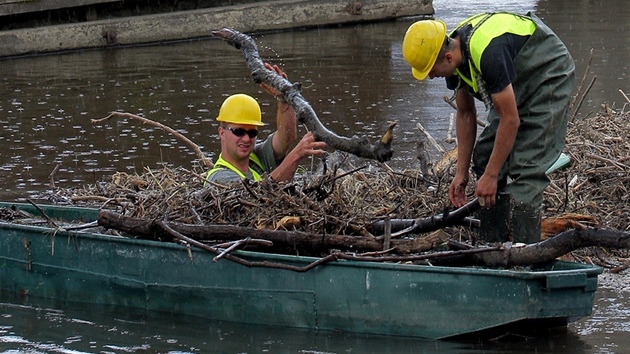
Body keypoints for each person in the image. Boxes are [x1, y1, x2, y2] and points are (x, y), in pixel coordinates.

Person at [402, 12, 575, 243]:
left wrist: (492, 176)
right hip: (513, 83)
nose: (431, 77)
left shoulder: (488, 53)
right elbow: (465, 113)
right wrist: (461, 172)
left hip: (548, 76)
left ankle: (525, 258)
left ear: (447, 57)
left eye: (431, 70)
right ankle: (493, 245)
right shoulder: (454, 52)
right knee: (484, 156)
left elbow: (510, 120)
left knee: (527, 167)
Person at [206, 63, 326, 184]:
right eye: (239, 132)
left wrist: (284, 97)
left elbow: (287, 137)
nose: (246, 139)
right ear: (222, 133)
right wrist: (296, 154)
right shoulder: (218, 178)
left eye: (252, 133)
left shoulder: (254, 159)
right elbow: (258, 195)